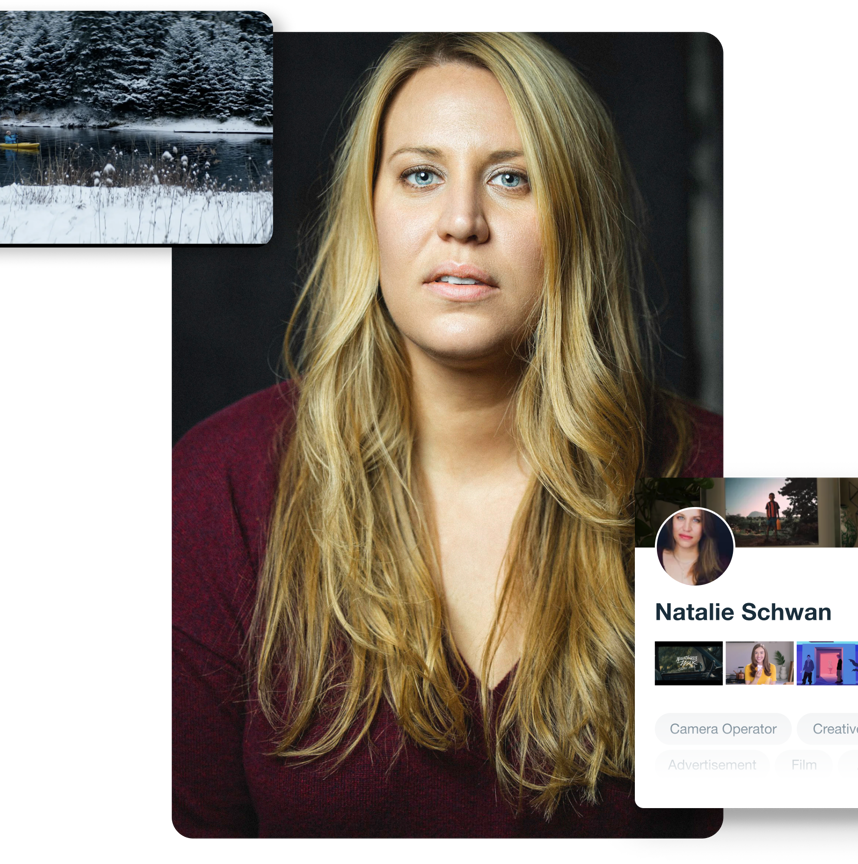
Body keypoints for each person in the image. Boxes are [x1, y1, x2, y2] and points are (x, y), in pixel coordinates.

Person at [172, 31, 723, 839]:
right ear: (370, 212)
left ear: (577, 216)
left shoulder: (723, 480)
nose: (461, 221)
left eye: (512, 178)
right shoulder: (219, 484)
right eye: (420, 175)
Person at [657, 508, 729, 585]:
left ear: (706, 526)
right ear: (671, 521)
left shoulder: (723, 565)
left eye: (696, 520)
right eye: (681, 517)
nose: (686, 528)